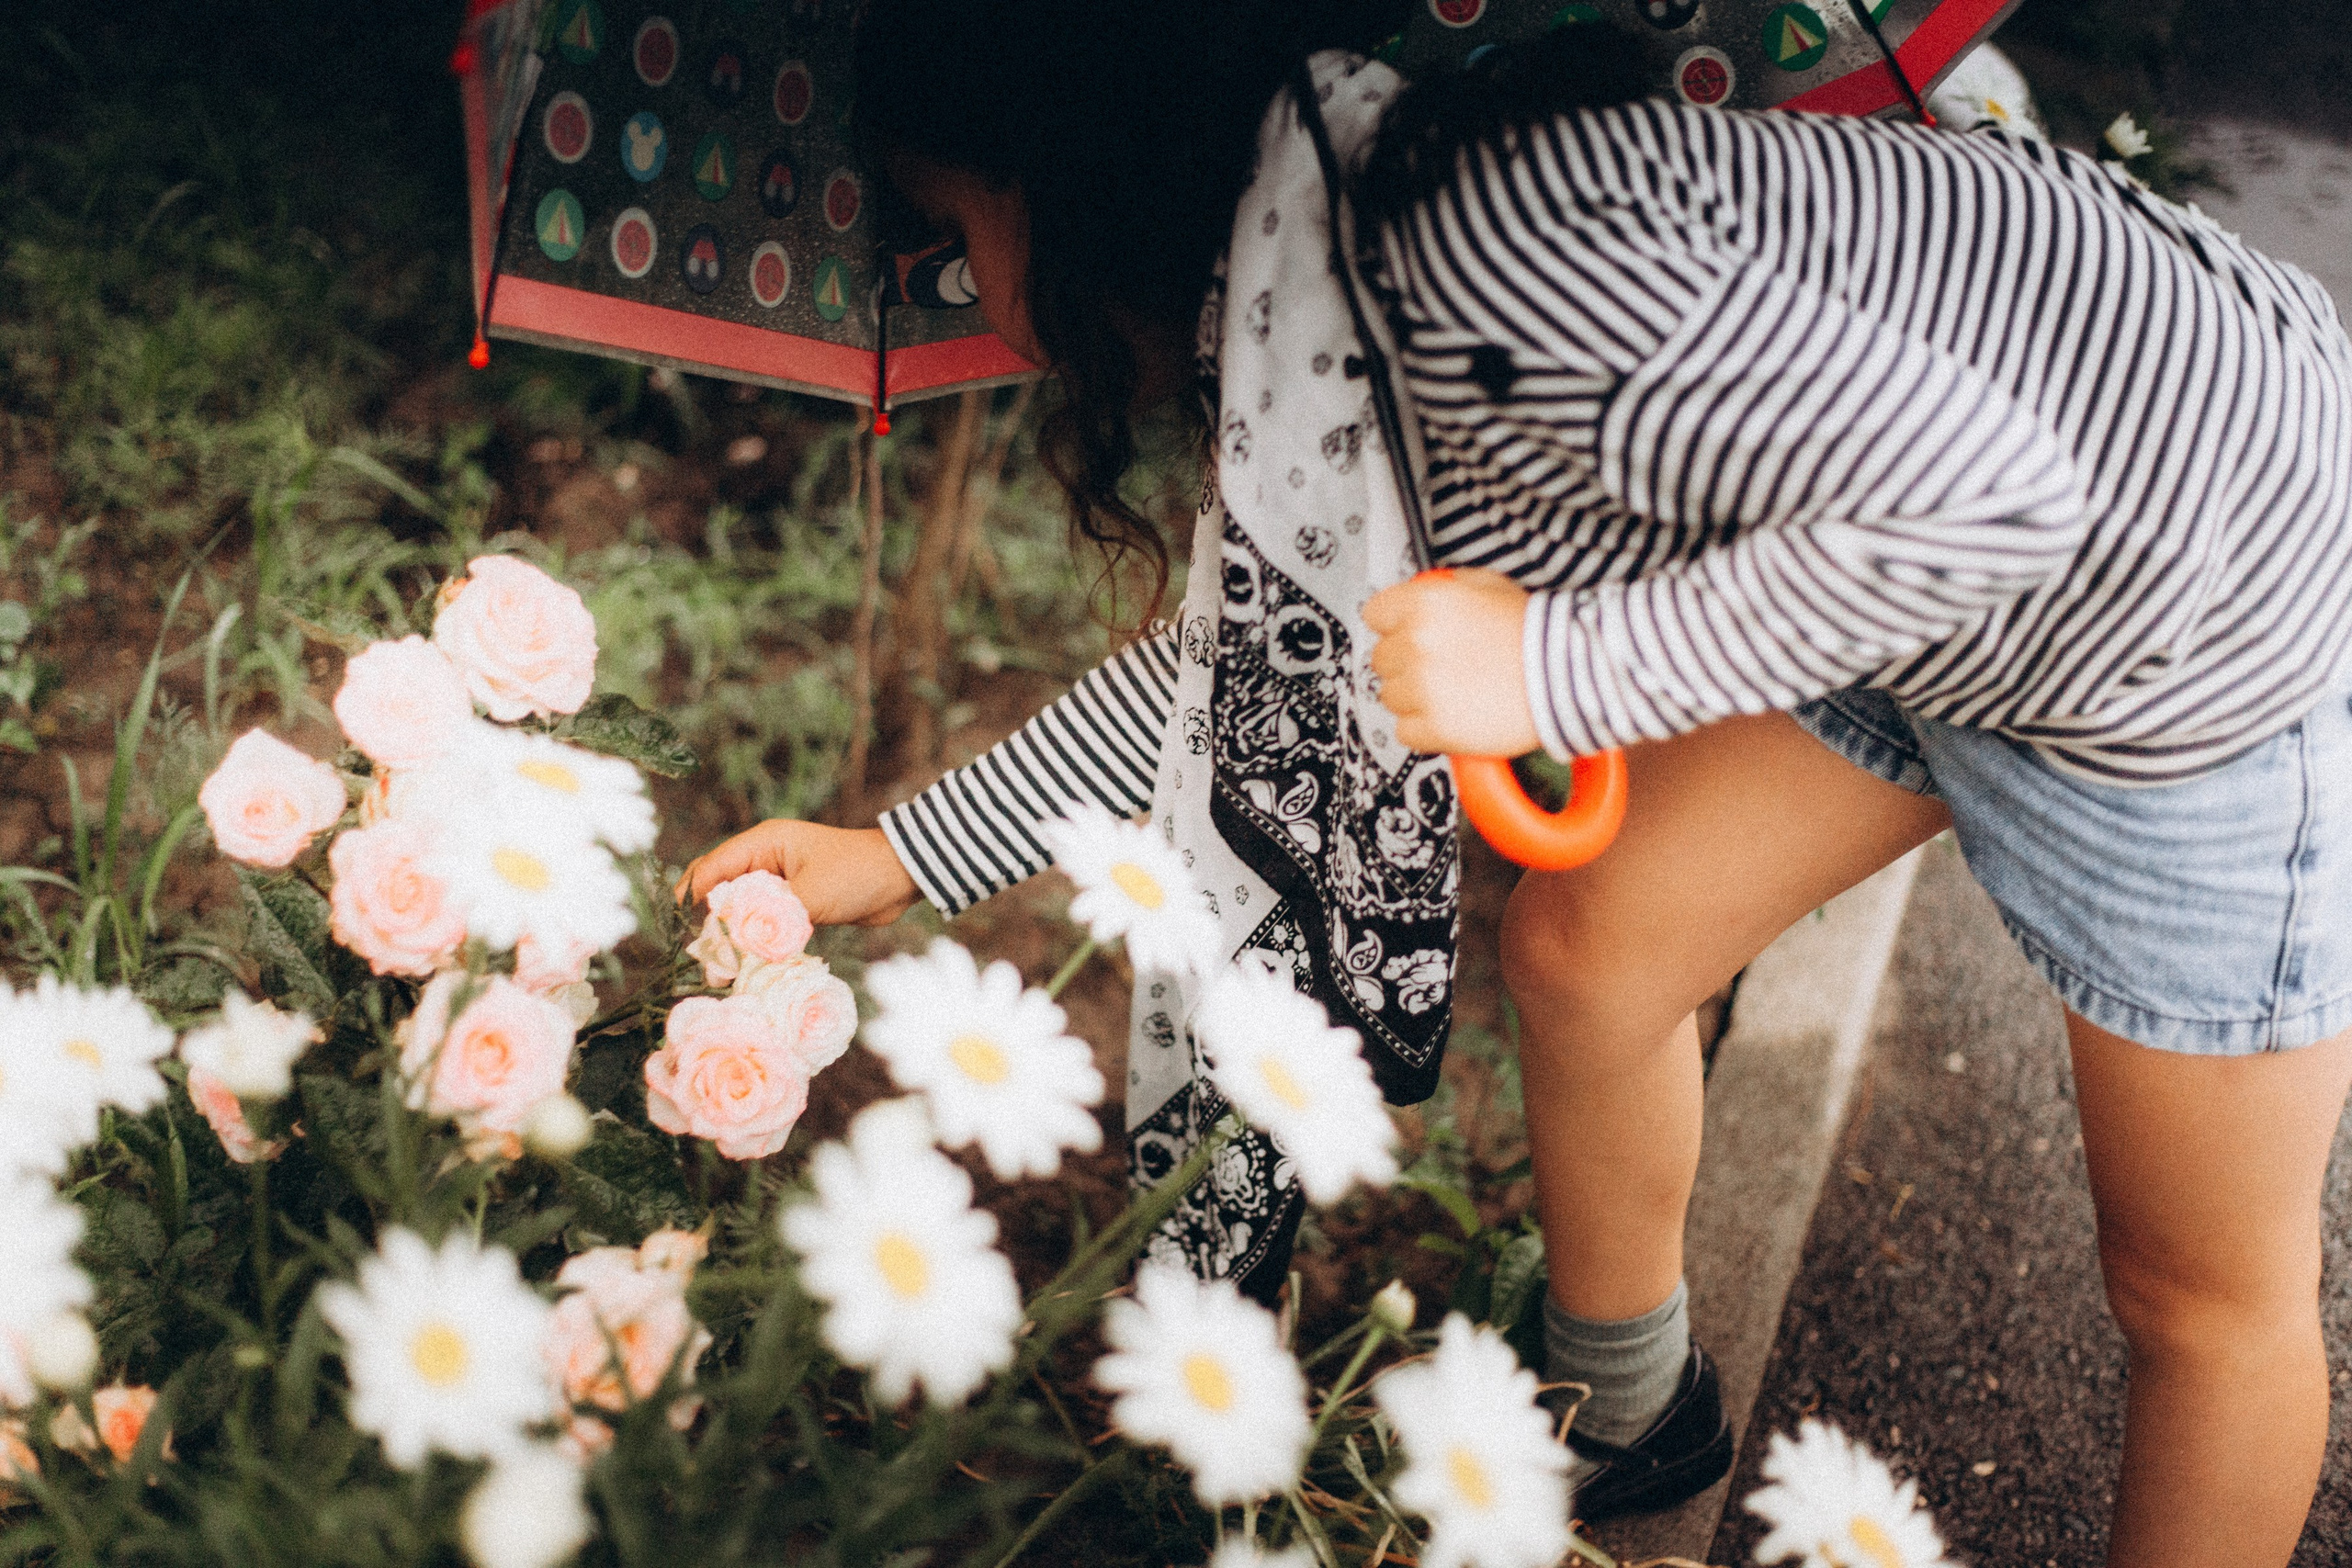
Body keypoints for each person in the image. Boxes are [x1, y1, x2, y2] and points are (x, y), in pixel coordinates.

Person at [681, 1, 2352, 1554]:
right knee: (1590, 954)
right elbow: (1238, 671)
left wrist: (1550, 666)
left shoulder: (1494, 264)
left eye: (953, 227)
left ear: (1081, 172)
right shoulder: (1327, 294)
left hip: (2189, 611)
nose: (963, 286)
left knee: (2193, 1299)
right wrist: (889, 856)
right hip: (1914, 599)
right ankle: (1629, 1412)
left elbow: (1994, 513)